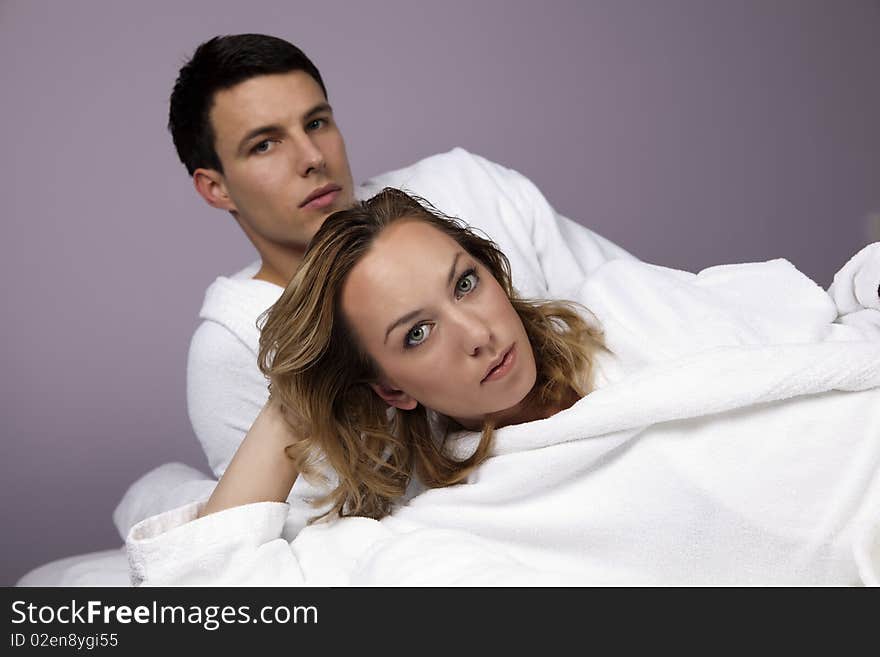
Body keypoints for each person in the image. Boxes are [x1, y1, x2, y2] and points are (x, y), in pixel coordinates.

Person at [17, 33, 633, 586]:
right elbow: (323, 542)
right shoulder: (235, 346)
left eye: (317, 122)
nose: (311, 156)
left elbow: (618, 314)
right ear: (216, 186)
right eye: (265, 144)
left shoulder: (465, 186)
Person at [127, 188, 880, 586]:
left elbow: (832, 306)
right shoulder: (453, 528)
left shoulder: (626, 305)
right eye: (416, 334)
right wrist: (296, 393)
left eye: (466, 282)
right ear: (391, 389)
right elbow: (213, 598)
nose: (478, 331)